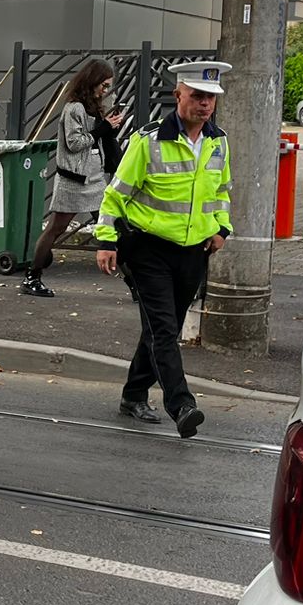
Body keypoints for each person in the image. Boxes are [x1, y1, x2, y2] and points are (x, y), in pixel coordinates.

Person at [94, 60, 233, 438]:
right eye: (198, 96)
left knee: (159, 330)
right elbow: (116, 194)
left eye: (211, 98)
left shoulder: (218, 141)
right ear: (178, 95)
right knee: (165, 330)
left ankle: (133, 395)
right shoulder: (149, 140)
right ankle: (182, 405)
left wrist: (222, 228)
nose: (205, 104)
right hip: (148, 250)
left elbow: (221, 191)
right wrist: (106, 240)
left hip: (193, 252)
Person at [21, 60, 124, 296]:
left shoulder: (93, 106)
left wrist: (110, 128)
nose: (105, 91)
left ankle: (135, 284)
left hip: (94, 178)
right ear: (92, 81)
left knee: (110, 227)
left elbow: (96, 140)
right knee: (56, 228)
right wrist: (103, 128)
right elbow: (75, 143)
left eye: (108, 86)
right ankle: (32, 276)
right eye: (103, 85)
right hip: (74, 179)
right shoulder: (74, 108)